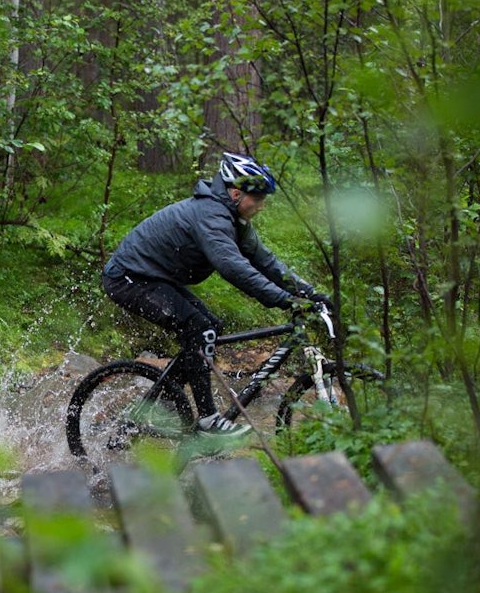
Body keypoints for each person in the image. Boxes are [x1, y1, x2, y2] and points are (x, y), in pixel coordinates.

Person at [101, 151, 331, 437]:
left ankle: (165, 401)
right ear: (235, 193)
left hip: (154, 277)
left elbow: (267, 262)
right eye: (257, 199)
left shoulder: (234, 220)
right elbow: (232, 267)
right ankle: (208, 421)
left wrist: (312, 294)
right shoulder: (211, 216)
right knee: (199, 329)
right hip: (128, 278)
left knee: (211, 328)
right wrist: (283, 299)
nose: (261, 206)